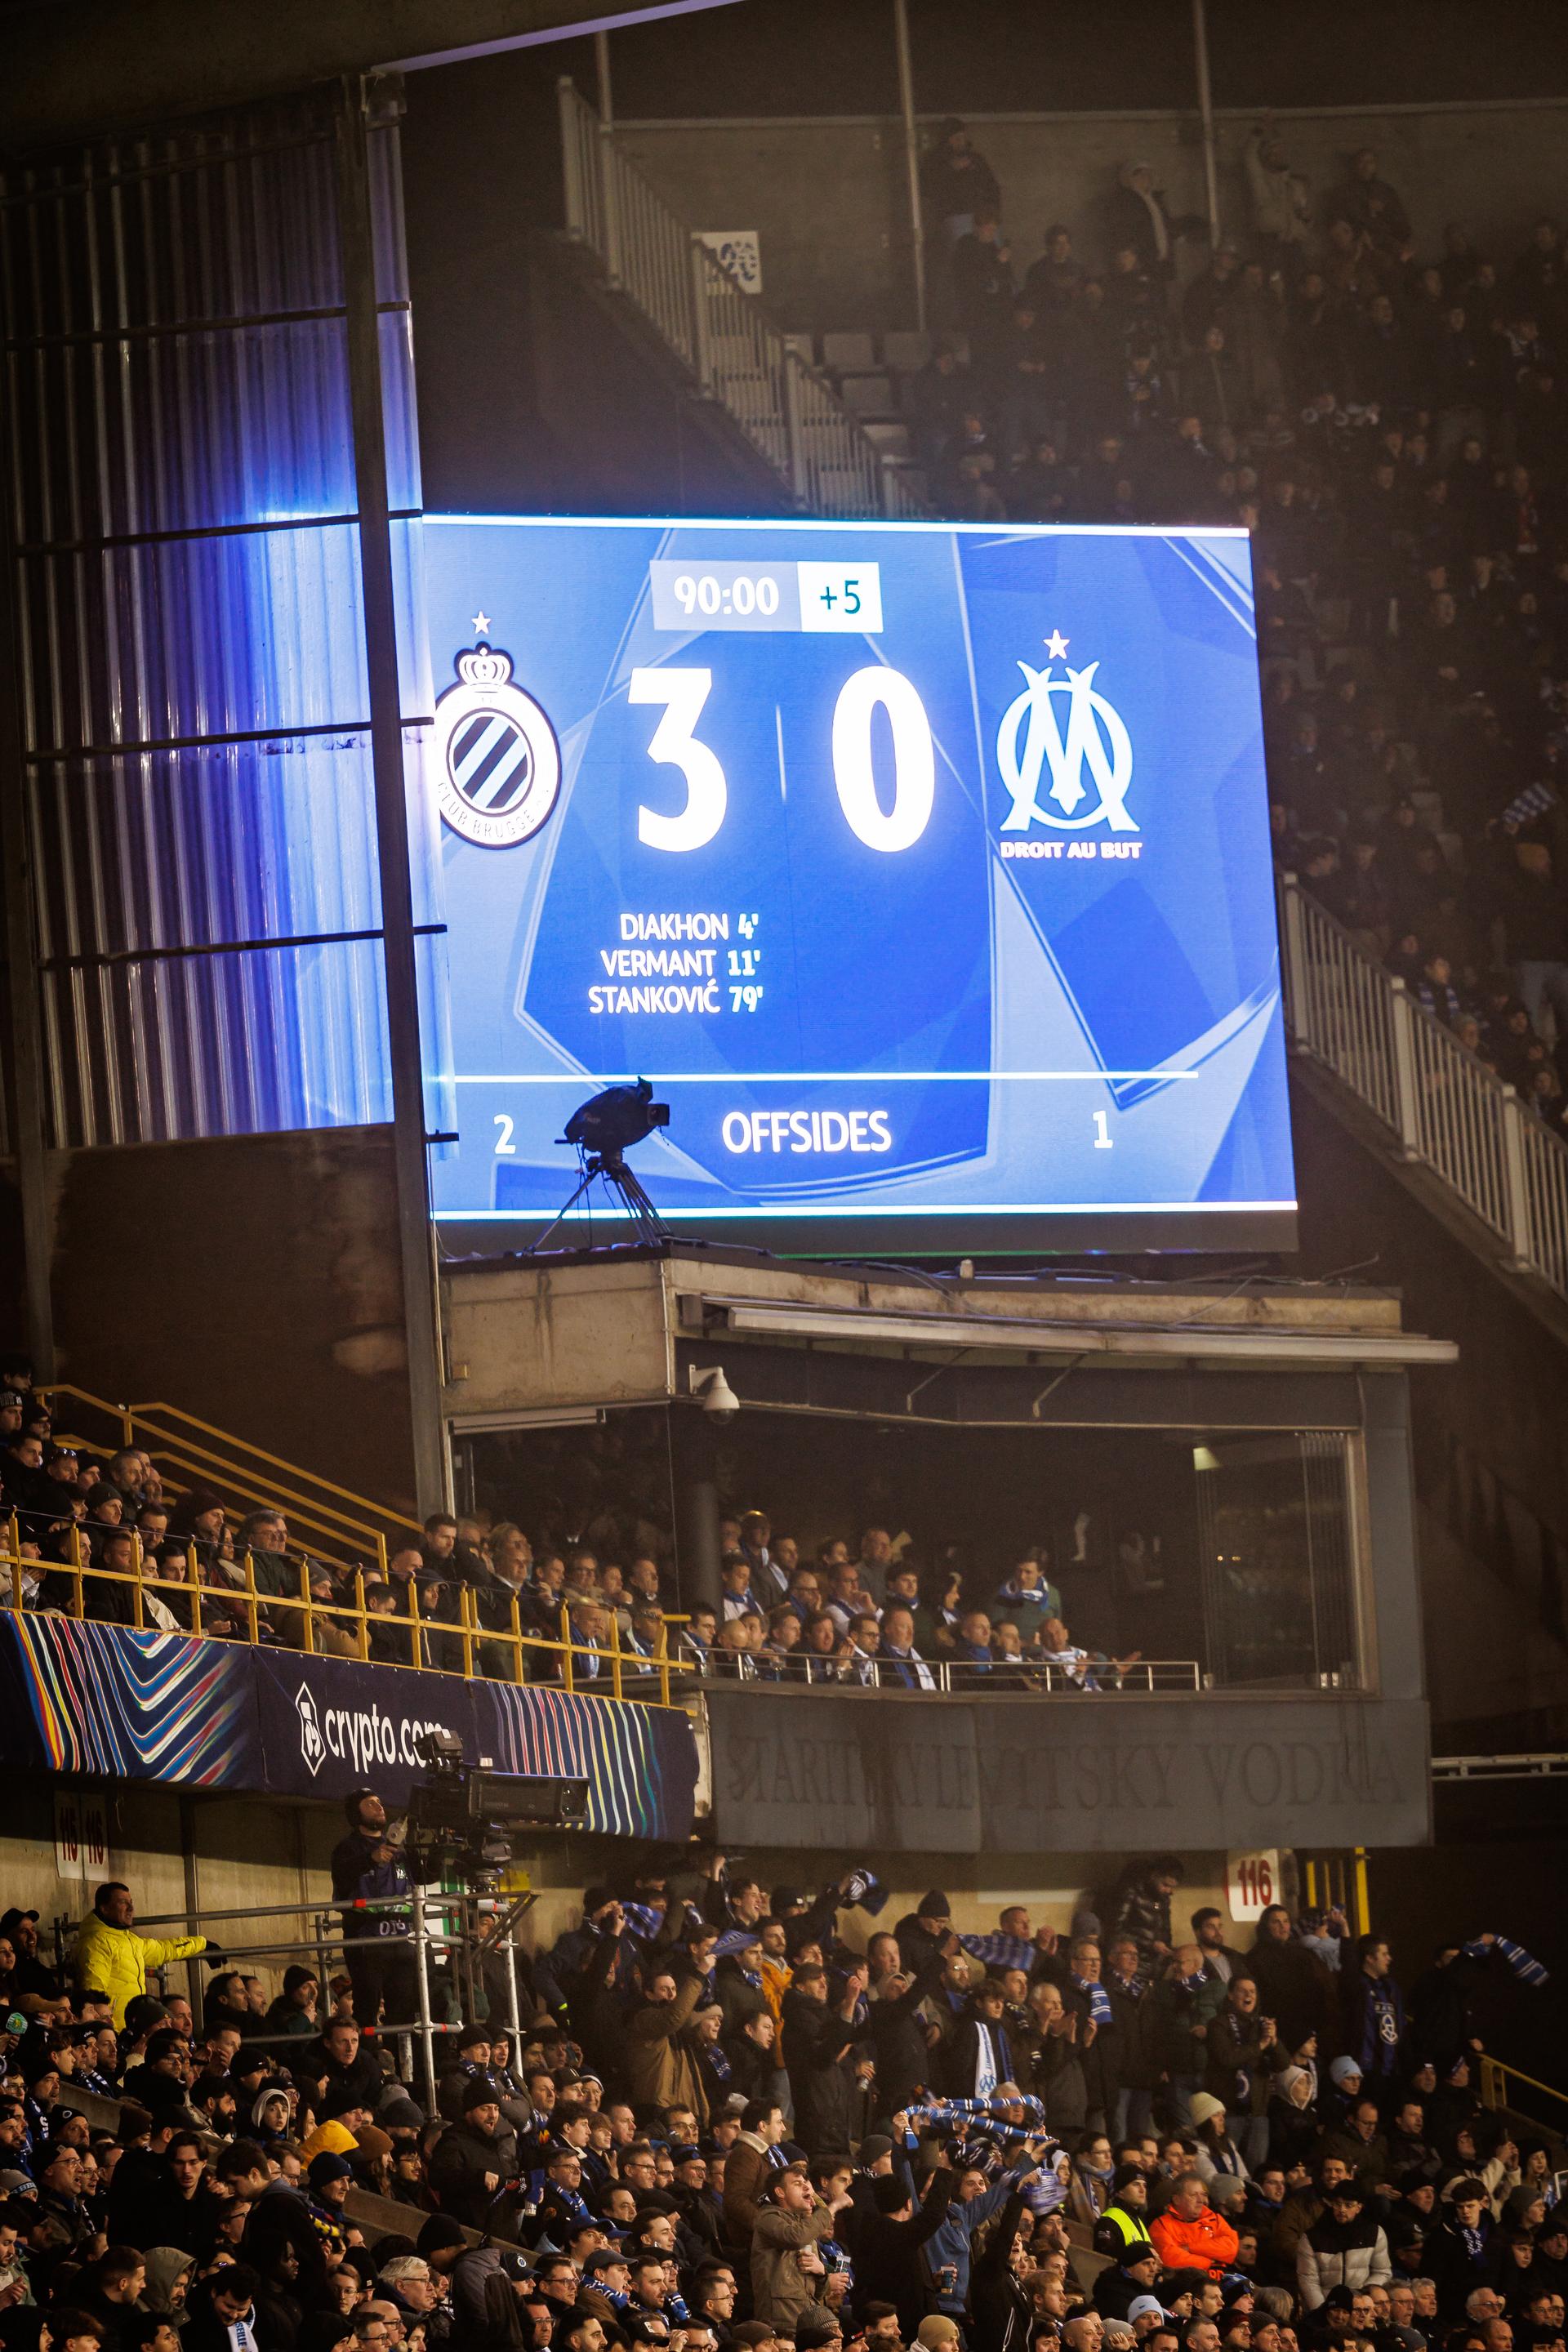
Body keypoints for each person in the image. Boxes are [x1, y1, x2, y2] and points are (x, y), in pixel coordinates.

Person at [330, 1789, 416, 2029]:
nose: (379, 1807)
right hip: (366, 1941)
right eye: (370, 1804)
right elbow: (342, 1876)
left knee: (403, 2012)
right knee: (367, 2007)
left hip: (401, 1939)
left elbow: (424, 1876)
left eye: (379, 1802)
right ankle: (366, 2051)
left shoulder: (400, 1850)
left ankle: (399, 2054)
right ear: (356, 1814)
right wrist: (371, 1859)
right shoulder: (347, 1848)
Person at [73, 1886, 208, 2033]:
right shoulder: (97, 1943)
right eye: (123, 1903)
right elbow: (94, 1996)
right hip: (117, 2031)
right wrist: (109, 2031)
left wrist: (202, 1943)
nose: (131, 1908)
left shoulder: (130, 1941)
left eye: (131, 1902)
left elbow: (163, 1949)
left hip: (132, 2027)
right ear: (105, 1909)